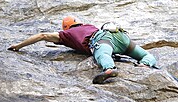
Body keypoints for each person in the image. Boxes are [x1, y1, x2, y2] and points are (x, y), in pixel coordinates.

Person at [8, 16, 157, 84]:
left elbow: (43, 35)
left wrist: (18, 46)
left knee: (102, 54)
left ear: (65, 28)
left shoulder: (66, 34)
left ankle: (109, 68)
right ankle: (146, 63)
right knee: (143, 54)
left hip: (102, 39)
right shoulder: (88, 26)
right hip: (119, 35)